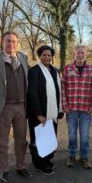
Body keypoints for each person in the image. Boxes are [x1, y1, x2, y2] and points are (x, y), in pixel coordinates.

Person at [0, 32, 31, 183]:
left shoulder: (23, 58)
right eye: (8, 41)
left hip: (21, 106)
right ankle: (4, 169)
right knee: (2, 141)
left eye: (14, 41)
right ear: (2, 42)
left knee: (21, 140)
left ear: (17, 43)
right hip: (4, 107)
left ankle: (21, 166)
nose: (11, 44)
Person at [27, 45, 63, 175]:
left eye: (49, 55)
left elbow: (58, 90)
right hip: (40, 114)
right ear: (39, 56)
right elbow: (32, 94)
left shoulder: (54, 70)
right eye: (44, 55)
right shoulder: (34, 71)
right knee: (39, 140)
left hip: (52, 112)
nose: (47, 57)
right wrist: (39, 114)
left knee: (49, 139)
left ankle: (46, 160)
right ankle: (39, 164)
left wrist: (60, 108)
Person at [62, 44, 92, 169]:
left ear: (85, 54)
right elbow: (63, 89)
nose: (80, 55)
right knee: (72, 134)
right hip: (71, 108)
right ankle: (72, 156)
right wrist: (65, 105)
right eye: (78, 53)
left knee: (84, 134)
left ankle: (84, 157)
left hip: (85, 109)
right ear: (74, 54)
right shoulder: (67, 69)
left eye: (82, 53)